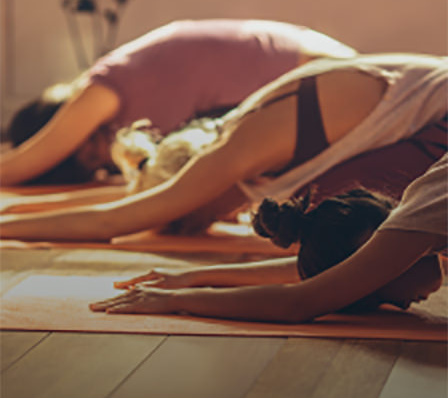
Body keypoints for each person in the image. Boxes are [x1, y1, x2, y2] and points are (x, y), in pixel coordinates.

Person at [1, 53, 446, 240]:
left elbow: (119, 218)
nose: (201, 224)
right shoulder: (261, 165)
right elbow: (127, 199)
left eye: (183, 219)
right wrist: (13, 211)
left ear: (195, 180)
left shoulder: (245, 143)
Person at [90, 153, 447, 322]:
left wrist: (178, 300)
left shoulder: (428, 206)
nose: (403, 304)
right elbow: (335, 276)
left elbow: (300, 301)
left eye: (376, 291)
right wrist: (195, 276)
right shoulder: (424, 210)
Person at [1, 19, 357, 186]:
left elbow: (22, 165)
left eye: (88, 145)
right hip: (329, 73)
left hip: (329, 74)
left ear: (58, 116)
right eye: (95, 162)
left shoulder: (102, 87)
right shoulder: (124, 101)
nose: (103, 150)